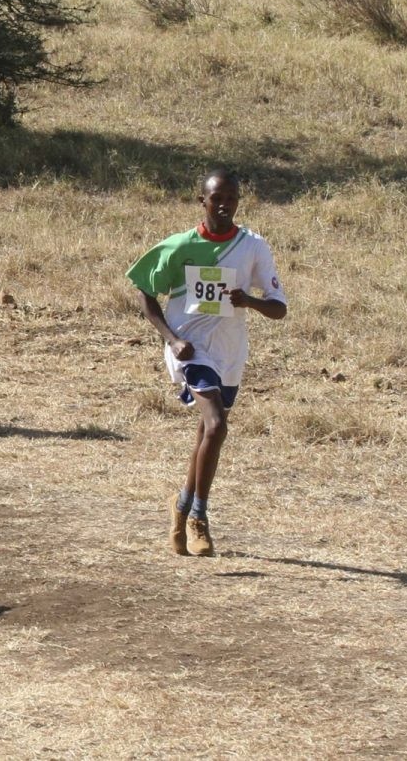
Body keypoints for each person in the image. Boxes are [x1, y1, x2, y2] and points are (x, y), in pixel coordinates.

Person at [126, 169, 287, 557]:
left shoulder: (253, 247)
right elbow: (144, 289)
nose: (224, 205)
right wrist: (172, 339)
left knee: (206, 433)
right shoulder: (181, 246)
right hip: (191, 348)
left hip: (230, 351)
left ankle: (181, 505)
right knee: (216, 424)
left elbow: (279, 309)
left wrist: (249, 301)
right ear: (202, 201)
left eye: (231, 198)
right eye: (217, 198)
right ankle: (199, 516)